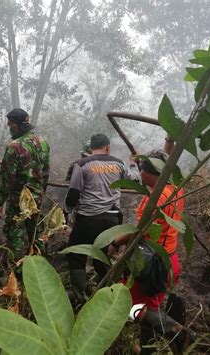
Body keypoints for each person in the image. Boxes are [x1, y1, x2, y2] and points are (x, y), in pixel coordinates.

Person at [108, 138, 194, 351]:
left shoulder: (154, 199)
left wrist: (116, 242)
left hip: (150, 262)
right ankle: (147, 347)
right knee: (150, 305)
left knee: (130, 306)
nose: (140, 174)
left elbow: (142, 231)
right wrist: (169, 142)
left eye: (142, 169)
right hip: (169, 259)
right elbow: (167, 163)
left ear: (153, 173)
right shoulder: (175, 189)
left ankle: (173, 329)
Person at [64, 133, 140, 302]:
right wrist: (133, 165)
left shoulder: (82, 164)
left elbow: (74, 193)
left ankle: (80, 297)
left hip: (88, 219)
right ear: (107, 147)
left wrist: (66, 211)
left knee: (76, 255)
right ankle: (109, 295)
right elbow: (135, 180)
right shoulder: (118, 164)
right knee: (102, 256)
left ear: (91, 148)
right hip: (112, 220)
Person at [0, 108, 50, 261]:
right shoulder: (43, 143)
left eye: (10, 125)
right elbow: (46, 172)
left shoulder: (14, 147)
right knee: (36, 232)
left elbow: (6, 177)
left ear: (15, 126)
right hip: (36, 198)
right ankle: (40, 265)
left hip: (18, 199)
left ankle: (15, 272)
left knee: (15, 233)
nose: (9, 128)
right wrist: (41, 192)